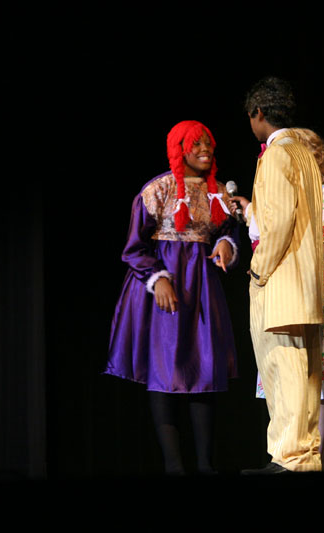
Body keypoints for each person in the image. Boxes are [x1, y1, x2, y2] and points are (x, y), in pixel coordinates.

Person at [105, 120, 239, 475]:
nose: (205, 151)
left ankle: (206, 466)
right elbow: (134, 248)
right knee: (165, 374)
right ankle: (174, 467)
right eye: (196, 145)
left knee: (204, 370)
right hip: (167, 286)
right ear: (180, 150)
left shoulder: (218, 193)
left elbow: (229, 229)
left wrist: (226, 244)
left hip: (202, 287)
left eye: (208, 144)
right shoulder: (158, 189)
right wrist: (157, 278)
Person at [230, 128, 324, 466]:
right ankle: (285, 454)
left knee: (317, 381)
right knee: (288, 377)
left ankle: (312, 456)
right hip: (286, 289)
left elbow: (320, 244)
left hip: (316, 291)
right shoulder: (293, 195)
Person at [240, 77, 324, 474]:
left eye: (250, 117)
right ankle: (303, 458)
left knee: (283, 371)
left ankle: (289, 460)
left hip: (281, 284)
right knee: (304, 379)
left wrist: (258, 271)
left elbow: (277, 224)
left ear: (259, 114)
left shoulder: (275, 155)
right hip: (306, 286)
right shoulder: (304, 151)